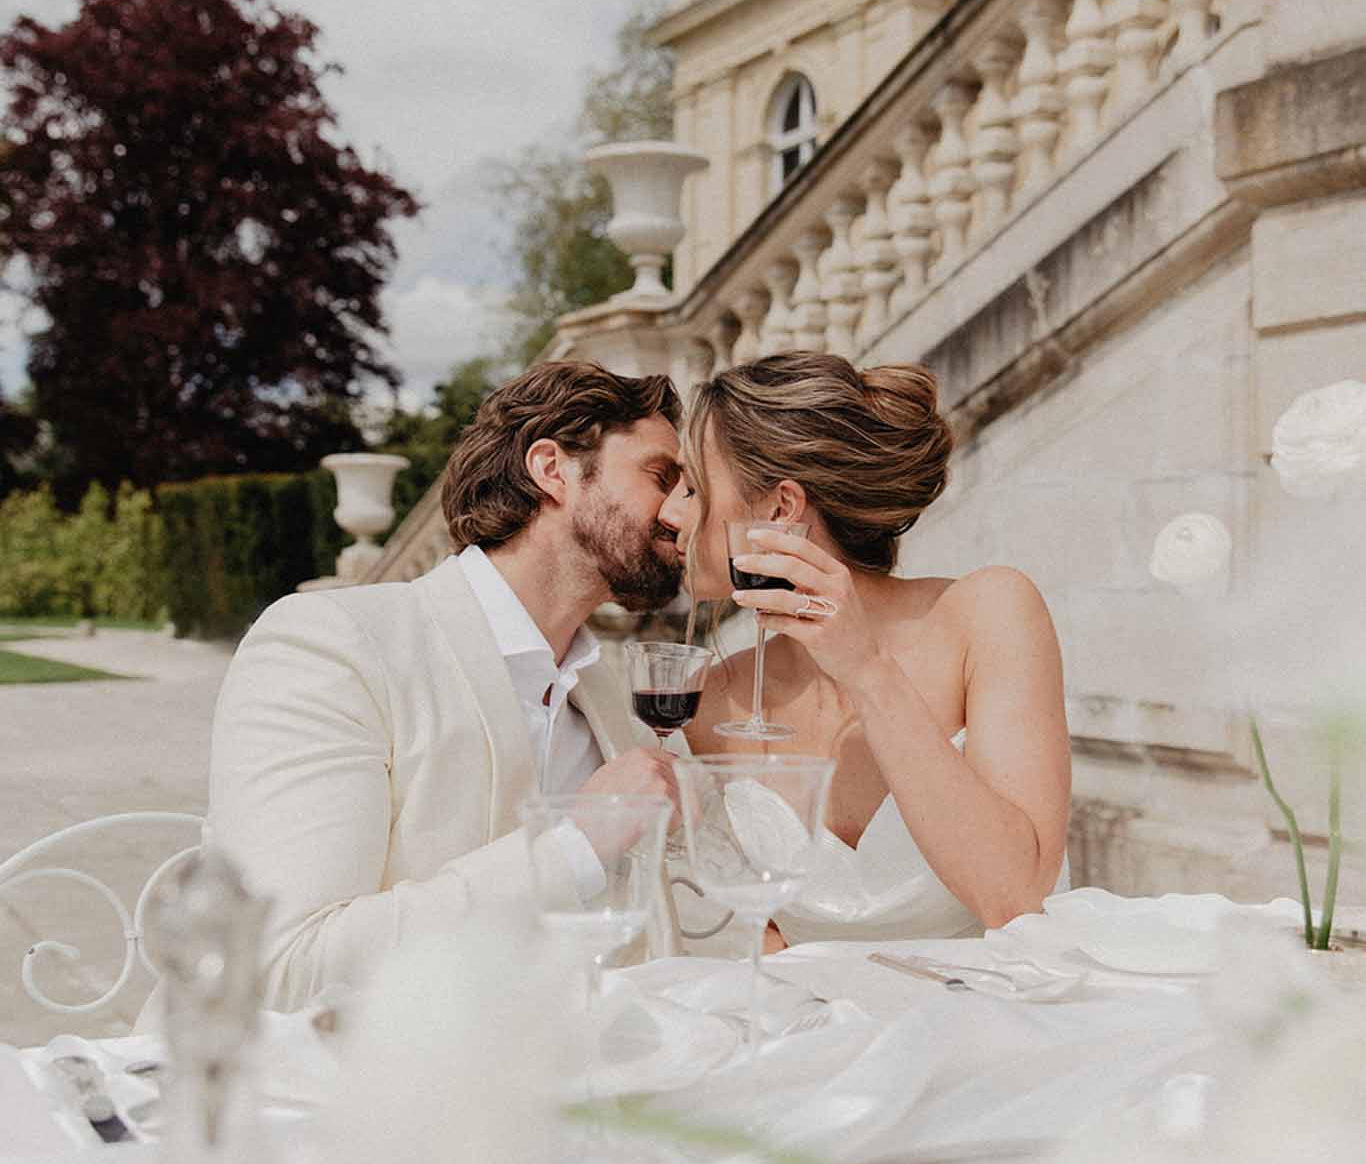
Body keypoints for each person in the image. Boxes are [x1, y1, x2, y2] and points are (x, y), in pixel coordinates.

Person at [206, 361, 686, 1008]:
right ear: (553, 470)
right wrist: (576, 846)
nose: (685, 511)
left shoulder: (610, 694)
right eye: (664, 477)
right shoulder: (333, 646)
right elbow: (279, 973)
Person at [661, 351, 1070, 945]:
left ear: (780, 508)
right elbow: (755, 935)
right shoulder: (714, 695)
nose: (670, 514)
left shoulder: (990, 614)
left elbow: (1012, 897)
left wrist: (866, 670)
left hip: (987, 1018)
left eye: (693, 488)